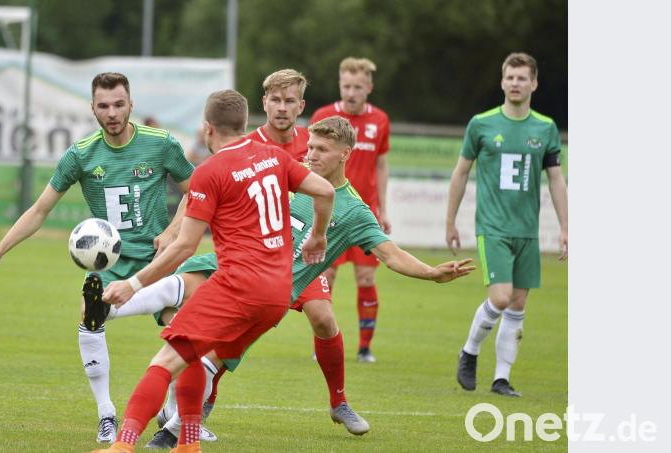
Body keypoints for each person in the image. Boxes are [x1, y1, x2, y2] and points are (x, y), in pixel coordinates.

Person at [104, 116, 475, 447]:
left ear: (346, 153)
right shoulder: (284, 168)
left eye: (322, 149)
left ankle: (337, 403)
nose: (311, 154)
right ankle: (177, 433)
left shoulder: (356, 211)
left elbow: (391, 255)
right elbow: (211, 187)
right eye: (310, 146)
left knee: (319, 320)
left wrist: (431, 272)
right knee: (194, 336)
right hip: (250, 270)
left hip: (286, 281)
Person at [91, 89, 335, 453]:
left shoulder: (210, 172)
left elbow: (185, 247)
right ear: (244, 123)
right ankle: (188, 444)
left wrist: (133, 283)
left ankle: (122, 447)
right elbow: (326, 190)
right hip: (277, 295)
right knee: (196, 353)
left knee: (164, 362)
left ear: (207, 129)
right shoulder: (273, 156)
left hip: (238, 286)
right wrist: (317, 237)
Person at [0, 72, 195, 443]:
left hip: (159, 258)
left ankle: (174, 416)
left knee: (185, 329)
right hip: (110, 265)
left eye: (119, 104)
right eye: (103, 106)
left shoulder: (161, 144)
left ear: (131, 105)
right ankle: (106, 413)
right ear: (92, 108)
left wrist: (173, 231)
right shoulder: (80, 155)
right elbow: (40, 209)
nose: (112, 113)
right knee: (89, 315)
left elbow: (197, 193)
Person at [447, 52, 568, 397]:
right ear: (502, 82)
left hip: (527, 229)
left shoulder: (544, 129)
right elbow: (460, 173)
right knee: (500, 297)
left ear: (534, 83)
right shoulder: (481, 124)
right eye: (510, 77)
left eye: (522, 78)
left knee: (517, 304)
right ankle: (469, 351)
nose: (515, 83)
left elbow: (556, 180)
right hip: (493, 227)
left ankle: (501, 378)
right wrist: (450, 220)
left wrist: (565, 227)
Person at [310, 57, 391, 363]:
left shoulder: (380, 120)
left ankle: (364, 347)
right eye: (346, 86)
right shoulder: (324, 116)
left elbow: (382, 165)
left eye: (358, 87)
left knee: (366, 278)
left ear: (368, 88)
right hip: (328, 209)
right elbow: (311, 162)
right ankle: (323, 343)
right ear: (339, 85)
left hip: (362, 211)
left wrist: (382, 207)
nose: (351, 92)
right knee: (324, 276)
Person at [246, 68, 310, 162]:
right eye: (275, 100)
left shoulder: (312, 142)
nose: (282, 108)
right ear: (265, 103)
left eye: (289, 101)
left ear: (301, 106)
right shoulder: (246, 148)